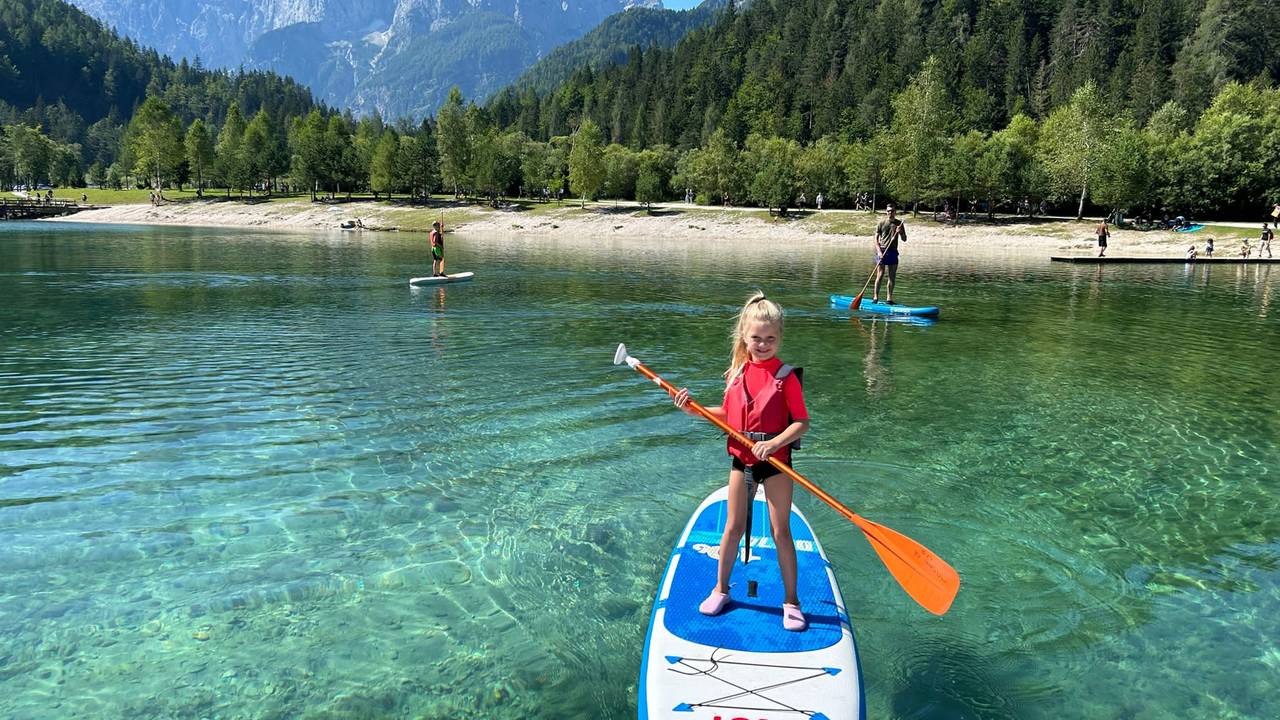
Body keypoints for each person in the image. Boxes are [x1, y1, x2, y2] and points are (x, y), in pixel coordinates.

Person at [672, 292, 811, 631]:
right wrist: (694, 409)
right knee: (732, 528)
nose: (763, 344)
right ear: (745, 337)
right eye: (756, 338)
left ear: (779, 338)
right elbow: (730, 417)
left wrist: (775, 443)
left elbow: (801, 423)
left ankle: (791, 601)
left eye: (770, 339)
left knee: (781, 532)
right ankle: (721, 589)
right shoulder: (735, 374)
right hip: (742, 463)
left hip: (776, 464)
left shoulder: (787, 377)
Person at [873, 203, 907, 303]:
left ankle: (889, 299)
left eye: (892, 211)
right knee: (880, 275)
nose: (890, 213)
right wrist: (879, 252)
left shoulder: (899, 223)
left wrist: (900, 232)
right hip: (882, 250)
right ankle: (875, 298)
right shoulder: (881, 223)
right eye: (888, 211)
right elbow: (875, 239)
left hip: (893, 251)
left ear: (895, 212)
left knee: (892, 277)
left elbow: (904, 239)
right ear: (886, 212)